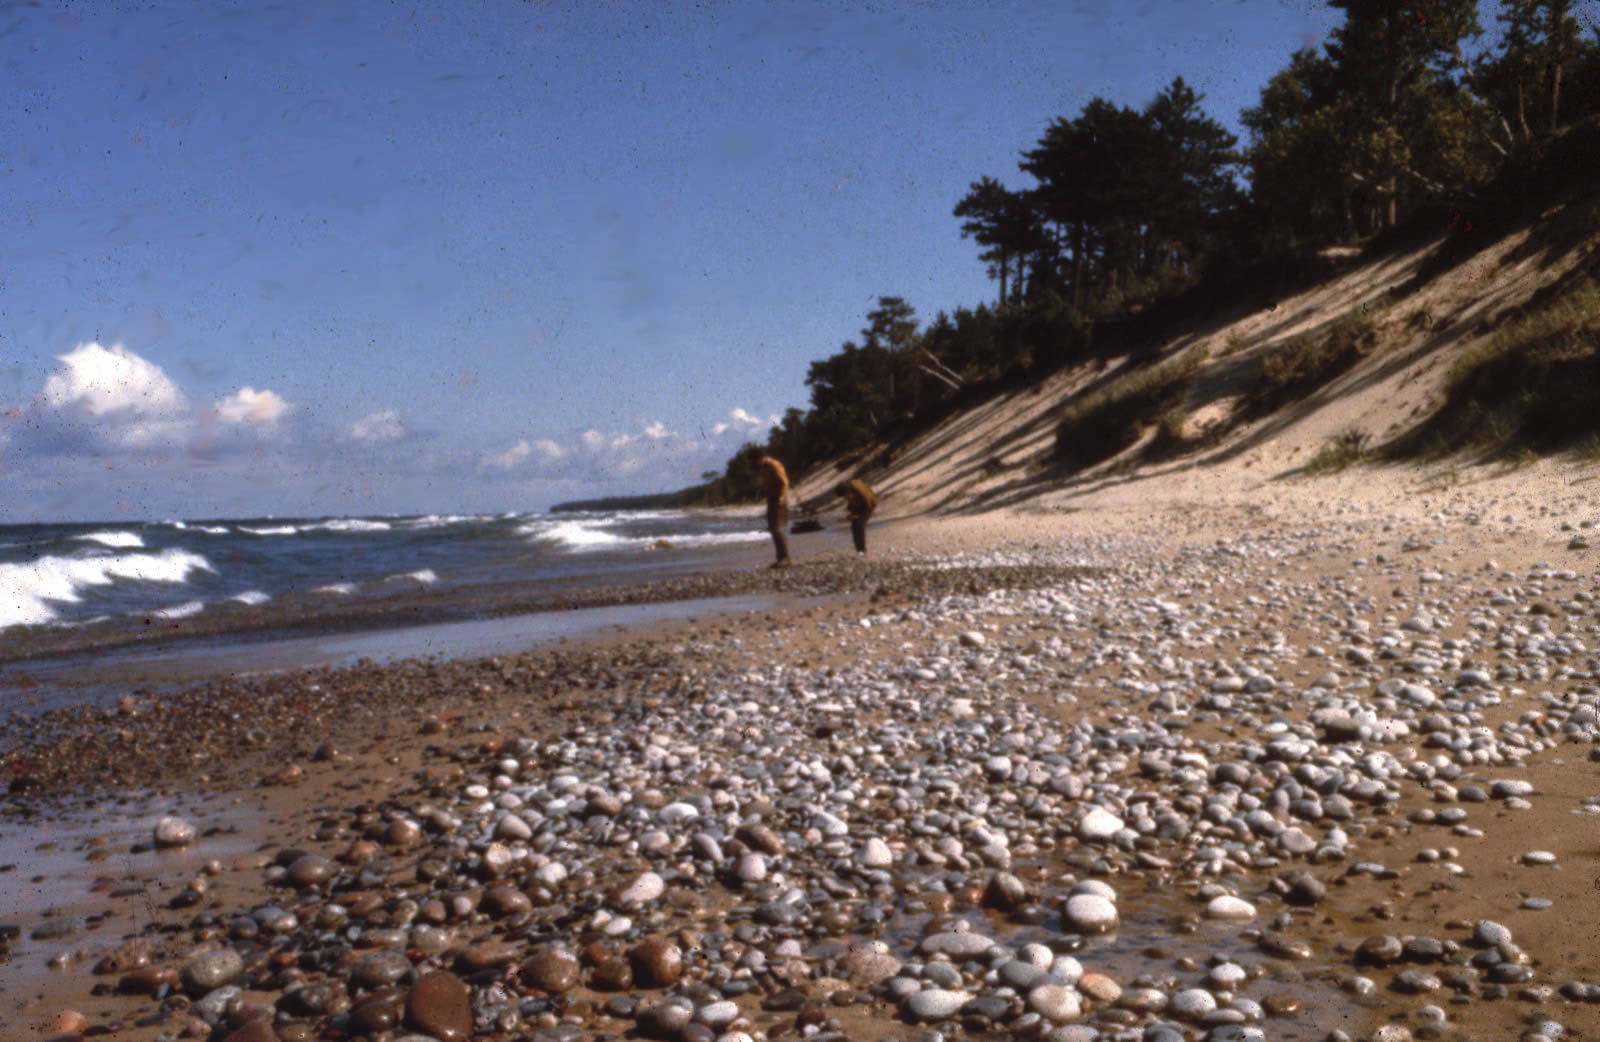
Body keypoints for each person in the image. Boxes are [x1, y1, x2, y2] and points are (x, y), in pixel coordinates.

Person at [748, 447, 791, 567]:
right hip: (771, 499)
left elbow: (784, 482)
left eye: (754, 461)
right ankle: (780, 558)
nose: (754, 464)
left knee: (777, 528)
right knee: (773, 528)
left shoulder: (774, 465)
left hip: (779, 498)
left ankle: (785, 559)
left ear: (760, 458)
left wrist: (781, 499)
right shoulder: (763, 467)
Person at [837, 478, 878, 555]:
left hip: (869, 503)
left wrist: (859, 515)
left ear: (848, 491)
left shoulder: (860, 492)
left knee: (859, 525)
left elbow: (868, 505)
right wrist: (852, 514)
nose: (845, 498)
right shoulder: (851, 490)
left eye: (845, 495)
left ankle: (862, 550)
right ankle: (859, 550)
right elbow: (851, 504)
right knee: (854, 524)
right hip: (861, 504)